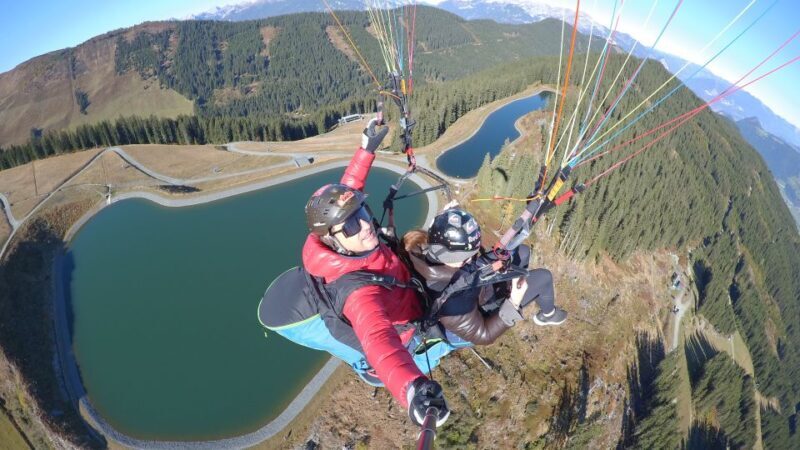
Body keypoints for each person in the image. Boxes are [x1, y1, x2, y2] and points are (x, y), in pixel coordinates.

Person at [259, 118, 448, 428]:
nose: (364, 225)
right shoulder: (357, 293)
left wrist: (366, 150)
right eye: (349, 225)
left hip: (406, 290)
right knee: (455, 334)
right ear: (333, 240)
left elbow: (350, 190)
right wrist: (412, 389)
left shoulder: (346, 245)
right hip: (408, 329)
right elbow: (379, 340)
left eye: (362, 213)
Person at [401, 208, 567, 345]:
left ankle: (516, 283)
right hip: (477, 317)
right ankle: (548, 315)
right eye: (467, 257)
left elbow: (468, 268)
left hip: (475, 287)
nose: (471, 259)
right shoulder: (452, 305)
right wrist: (513, 302)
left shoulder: (422, 251)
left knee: (521, 252)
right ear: (452, 258)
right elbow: (484, 335)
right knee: (544, 277)